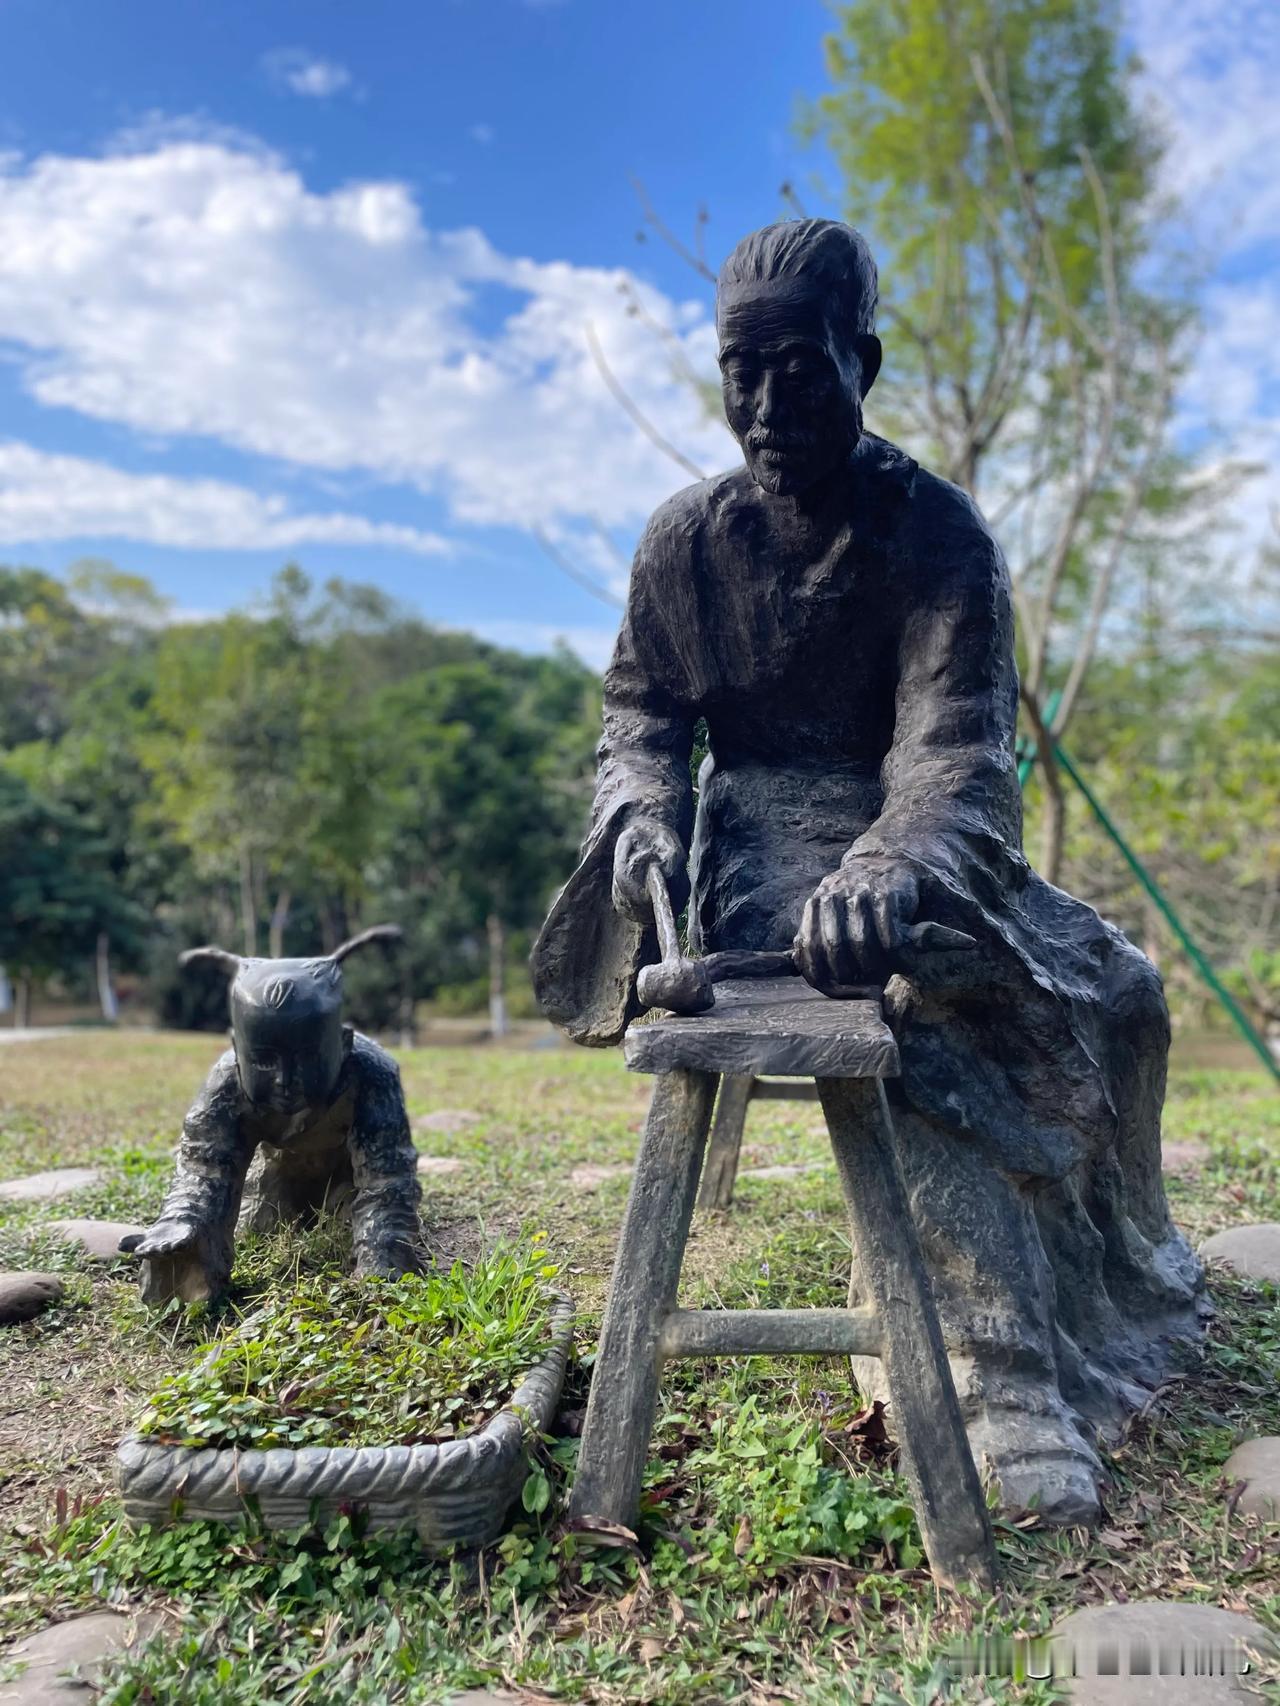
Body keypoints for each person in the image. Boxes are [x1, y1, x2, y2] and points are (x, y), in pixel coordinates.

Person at [533, 219, 1203, 1524]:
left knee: (1110, 983)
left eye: (803, 366)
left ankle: (1098, 1267)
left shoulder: (938, 536)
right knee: (904, 1001)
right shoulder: (686, 543)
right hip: (750, 840)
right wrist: (642, 817)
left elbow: (956, 749)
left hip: (911, 827)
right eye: (744, 368)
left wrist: (892, 857)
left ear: (865, 361)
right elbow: (642, 720)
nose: (770, 403)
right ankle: (988, 1364)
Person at [122, 927, 420, 1304]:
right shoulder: (226, 1082)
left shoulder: (373, 1074)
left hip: (347, 1168)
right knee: (263, 1221)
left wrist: (383, 1269)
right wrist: (183, 1221)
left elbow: (387, 1180)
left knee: (361, 1221)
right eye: (262, 1060)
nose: (284, 1080)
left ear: (343, 1046)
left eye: (308, 1060)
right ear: (236, 1049)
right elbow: (205, 1169)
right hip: (278, 1169)